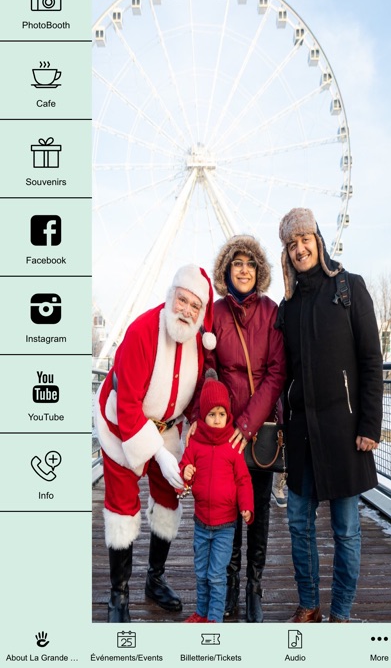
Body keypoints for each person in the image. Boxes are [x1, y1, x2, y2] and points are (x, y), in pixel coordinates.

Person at [276, 208, 383, 623]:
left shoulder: (349, 289)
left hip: (344, 431)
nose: (299, 248)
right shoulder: (287, 306)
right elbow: (281, 370)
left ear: (318, 240)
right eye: (291, 244)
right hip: (302, 432)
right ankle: (309, 603)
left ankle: (340, 611)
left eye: (305, 239)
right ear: (286, 253)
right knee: (299, 524)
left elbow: (371, 361)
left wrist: (369, 425)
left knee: (347, 530)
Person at [94, 265, 217, 622]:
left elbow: (199, 394)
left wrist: (193, 421)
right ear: (170, 295)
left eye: (196, 306)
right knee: (122, 506)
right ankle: (118, 594)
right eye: (183, 299)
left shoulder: (199, 340)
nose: (187, 310)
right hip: (122, 423)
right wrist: (159, 454)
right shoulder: (142, 331)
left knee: (168, 498)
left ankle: (155, 578)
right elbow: (128, 401)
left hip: (167, 426)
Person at [190, 235, 286, 622]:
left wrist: (247, 423)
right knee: (228, 509)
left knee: (258, 510)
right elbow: (208, 368)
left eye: (249, 263)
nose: (243, 269)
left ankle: (254, 588)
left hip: (257, 428)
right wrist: (219, 419)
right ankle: (228, 585)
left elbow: (277, 371)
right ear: (226, 270)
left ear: (258, 270)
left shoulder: (271, 311)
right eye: (236, 263)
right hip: (222, 432)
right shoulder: (214, 312)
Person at [180, 374, 254, 624]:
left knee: (216, 574)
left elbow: (243, 480)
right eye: (212, 414)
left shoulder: (232, 446)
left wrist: (246, 506)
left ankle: (214, 619)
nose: (217, 419)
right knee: (201, 572)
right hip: (201, 523)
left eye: (222, 414)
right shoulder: (195, 444)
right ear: (203, 416)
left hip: (224, 526)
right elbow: (184, 470)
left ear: (228, 416)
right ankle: (201, 612)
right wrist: (186, 473)